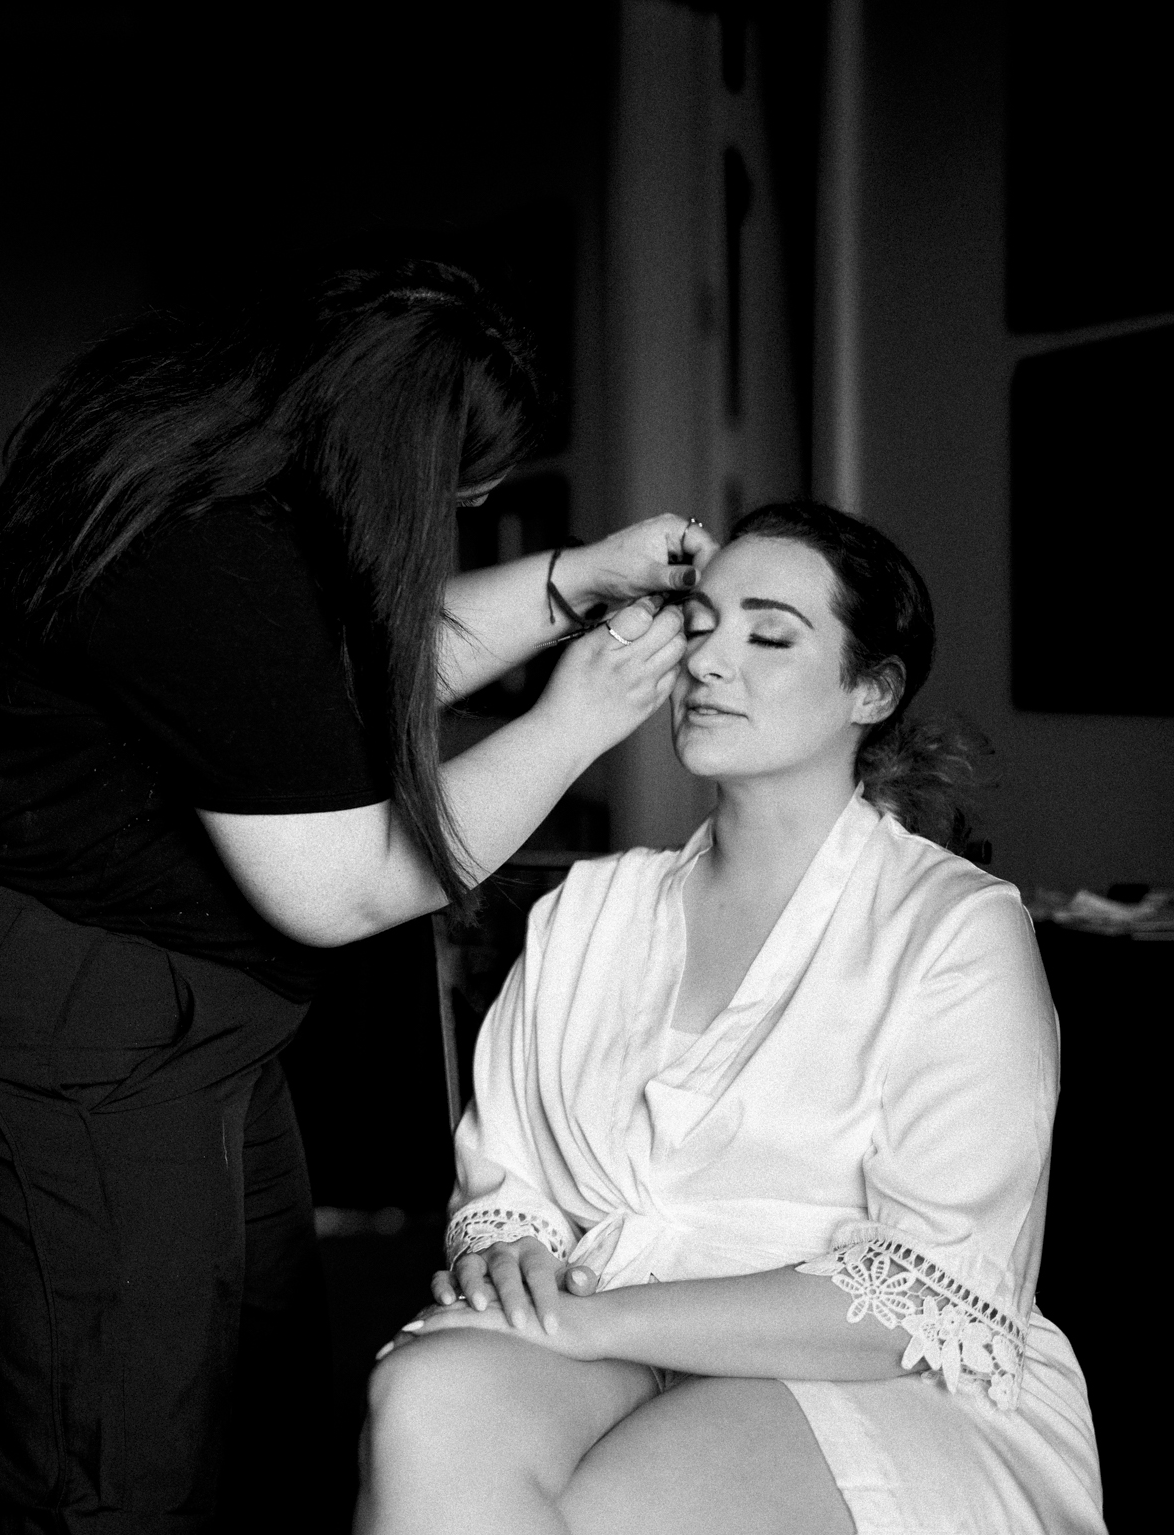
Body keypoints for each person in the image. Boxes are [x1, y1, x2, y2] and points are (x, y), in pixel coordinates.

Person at [0, 263, 717, 1534]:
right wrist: (575, 721)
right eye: (457, 489)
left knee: (254, 1402)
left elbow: (343, 676)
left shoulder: (257, 495)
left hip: (196, 1019)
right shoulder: (201, 548)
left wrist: (570, 581)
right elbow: (344, 883)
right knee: (112, 1466)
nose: (463, 511)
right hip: (65, 1015)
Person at [360, 503, 1104, 1535]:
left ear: (871, 688)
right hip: (598, 1317)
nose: (711, 660)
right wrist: (509, 1247)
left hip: (866, 1368)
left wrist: (596, 1319)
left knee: (624, 1505)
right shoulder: (590, 910)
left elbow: (922, 1292)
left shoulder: (954, 931)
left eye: (769, 633)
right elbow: (511, 1183)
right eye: (700, 623)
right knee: (427, 1400)